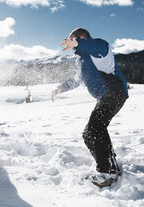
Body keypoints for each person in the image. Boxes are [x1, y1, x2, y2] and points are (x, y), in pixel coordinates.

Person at [51, 28, 128, 187]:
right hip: (107, 95)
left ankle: (106, 172)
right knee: (90, 133)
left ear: (81, 38)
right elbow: (76, 79)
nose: (72, 46)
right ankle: (111, 164)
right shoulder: (82, 59)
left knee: (94, 129)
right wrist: (59, 89)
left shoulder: (99, 50)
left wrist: (79, 43)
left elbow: (96, 45)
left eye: (73, 41)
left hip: (114, 91)